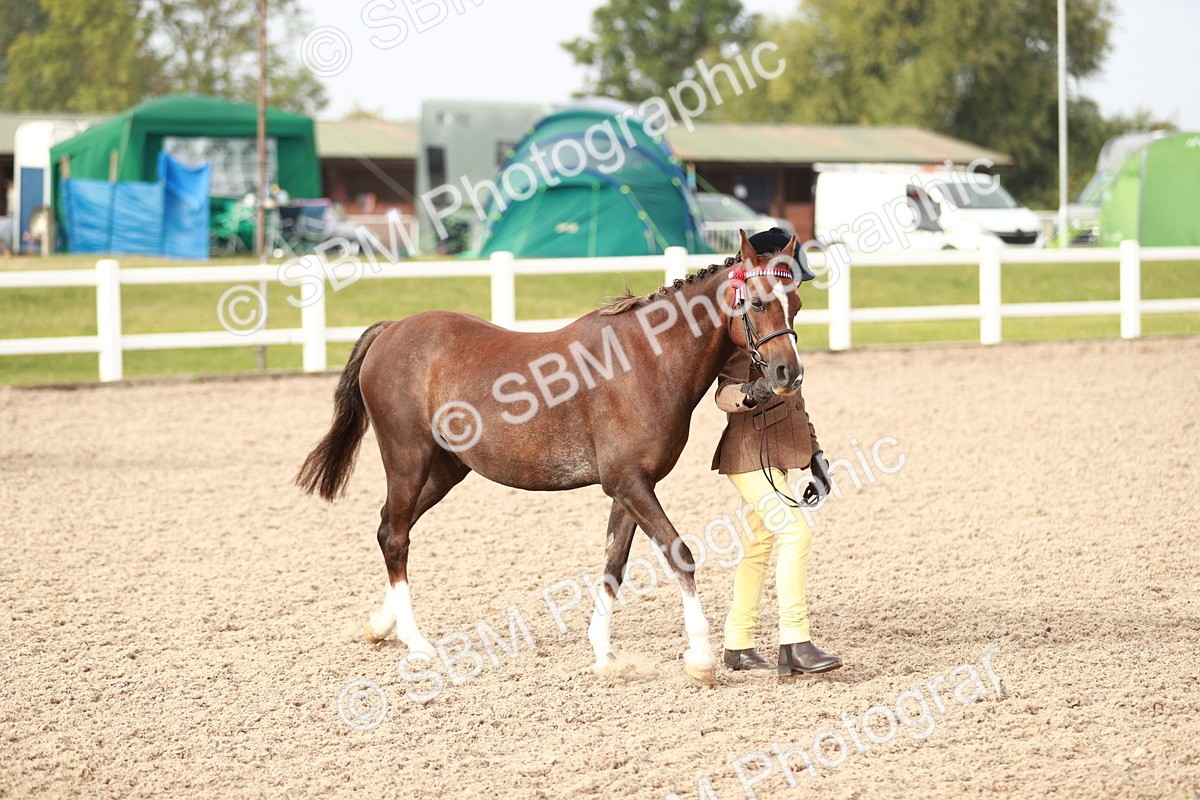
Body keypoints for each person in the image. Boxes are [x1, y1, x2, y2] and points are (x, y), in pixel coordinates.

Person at [712, 227, 842, 677]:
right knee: (795, 534)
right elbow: (724, 395)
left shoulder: (781, 332)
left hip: (779, 455)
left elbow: (798, 403)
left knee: (759, 544)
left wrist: (816, 457)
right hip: (750, 453)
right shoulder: (746, 329)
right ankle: (795, 642)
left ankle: (738, 643)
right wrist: (755, 389)